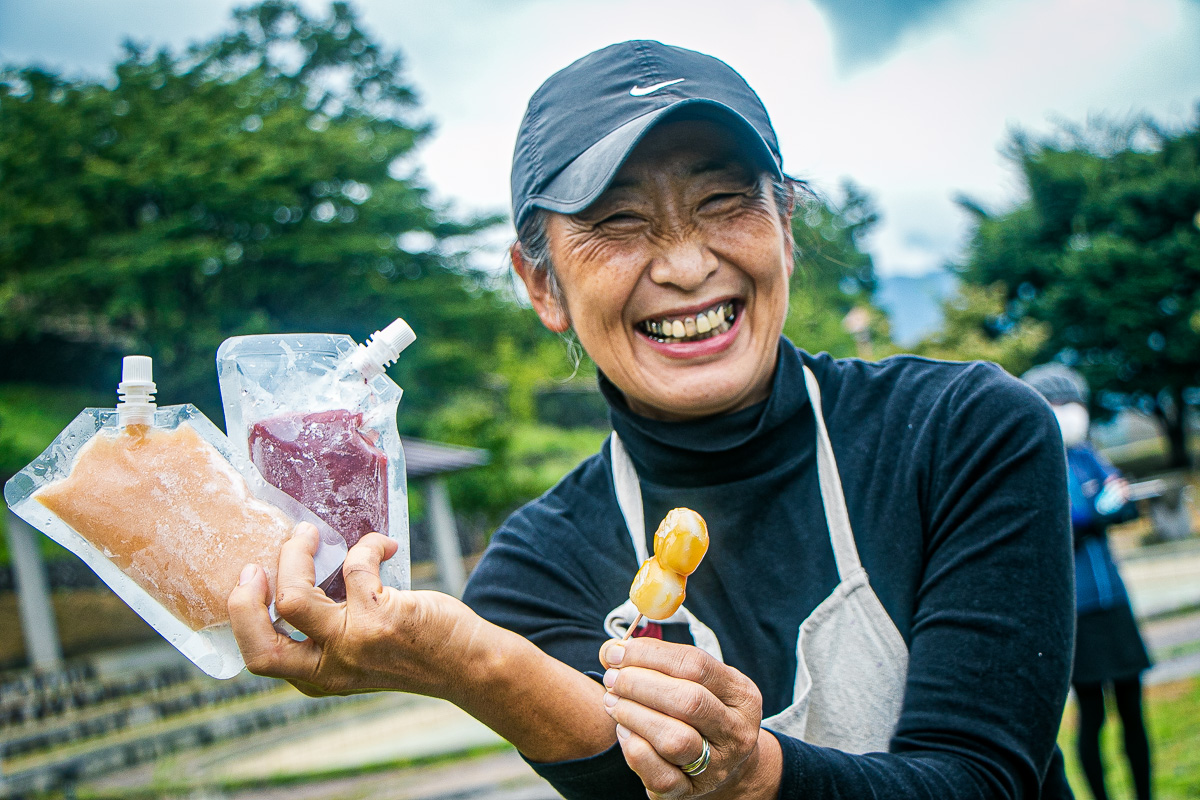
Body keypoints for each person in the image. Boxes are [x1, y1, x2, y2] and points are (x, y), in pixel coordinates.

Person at [228, 40, 1077, 799]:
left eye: (722, 201)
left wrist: (762, 776)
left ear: (783, 226)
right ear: (540, 284)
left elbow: (982, 777)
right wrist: (480, 667)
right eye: (618, 222)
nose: (684, 264)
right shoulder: (535, 571)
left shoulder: (965, 432)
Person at [1023, 364, 1153, 800]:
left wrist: (1105, 508)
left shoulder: (1089, 453)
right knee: (1093, 713)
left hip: (1113, 600)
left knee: (1134, 710)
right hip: (1075, 613)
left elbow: (1122, 507)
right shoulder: (1038, 461)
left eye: (1073, 402)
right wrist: (1102, 508)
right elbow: (1068, 520)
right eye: (1059, 404)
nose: (1071, 412)